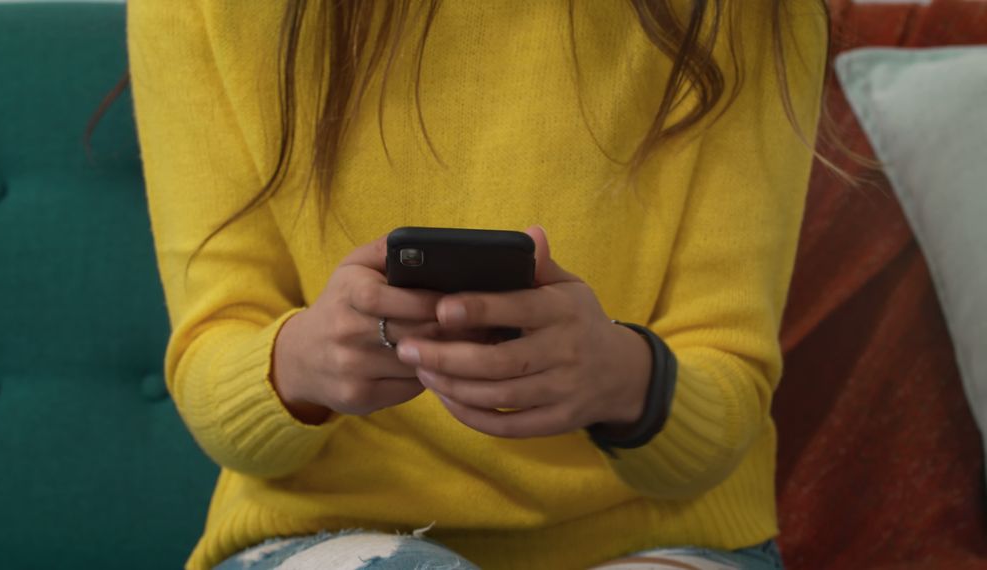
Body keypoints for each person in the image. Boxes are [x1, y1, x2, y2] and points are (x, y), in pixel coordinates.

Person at [127, 1, 828, 568]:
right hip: (323, 529)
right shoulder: (200, 11)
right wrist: (305, 363)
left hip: (658, 538)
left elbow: (727, 401)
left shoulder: (749, 13)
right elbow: (214, 371)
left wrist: (619, 378)